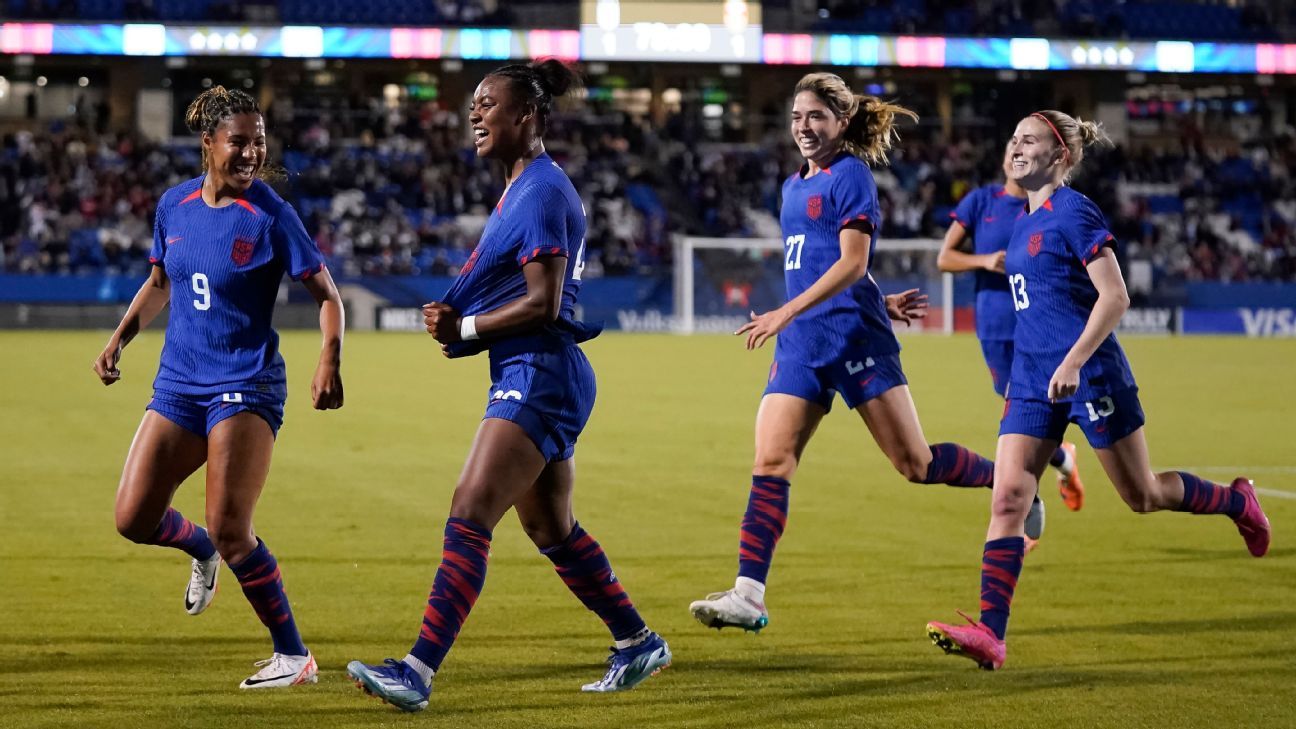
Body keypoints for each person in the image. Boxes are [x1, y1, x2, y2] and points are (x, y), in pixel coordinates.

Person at [346, 60, 670, 713]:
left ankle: (417, 669)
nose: (474, 113)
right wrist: (462, 325)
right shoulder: (521, 188)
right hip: (536, 369)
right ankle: (638, 641)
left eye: (487, 103)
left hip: (539, 371)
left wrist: (463, 324)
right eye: (473, 104)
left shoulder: (542, 191)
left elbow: (544, 301)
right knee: (552, 528)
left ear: (525, 115)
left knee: (470, 511)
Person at [688, 72, 1033, 634]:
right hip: (803, 346)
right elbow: (833, 262)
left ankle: (1013, 482)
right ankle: (748, 594)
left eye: (816, 116)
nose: (804, 126)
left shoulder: (851, 176)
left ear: (842, 121)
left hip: (853, 338)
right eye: (797, 116)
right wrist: (878, 298)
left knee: (915, 464)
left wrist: (786, 311)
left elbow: (852, 261)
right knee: (771, 462)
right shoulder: (792, 185)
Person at [926, 110, 1271, 671]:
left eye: (1030, 140)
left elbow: (1115, 296)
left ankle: (1238, 502)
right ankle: (991, 633)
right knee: (1008, 498)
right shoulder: (1020, 223)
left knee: (1143, 495)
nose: (1016, 147)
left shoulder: (1074, 210)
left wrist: (1074, 360)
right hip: (1032, 380)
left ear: (1060, 155)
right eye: (1013, 138)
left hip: (1090, 375)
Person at [92, 86, 345, 689]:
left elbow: (327, 296)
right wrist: (119, 338)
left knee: (235, 528)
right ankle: (200, 549)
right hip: (180, 383)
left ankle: (294, 657)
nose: (252, 153)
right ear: (208, 143)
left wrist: (329, 358)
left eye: (260, 142)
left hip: (246, 383)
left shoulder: (271, 214)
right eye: (240, 141)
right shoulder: (174, 205)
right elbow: (161, 282)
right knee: (133, 517)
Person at [938, 144, 1086, 520]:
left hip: (1038, 325)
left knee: (1026, 413)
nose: (1016, 154)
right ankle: (1062, 460)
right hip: (994, 326)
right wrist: (984, 260)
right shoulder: (981, 201)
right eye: (1011, 147)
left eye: (1024, 147)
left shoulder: (1049, 206)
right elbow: (944, 258)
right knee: (1021, 409)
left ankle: (1022, 513)